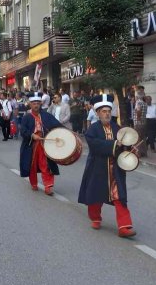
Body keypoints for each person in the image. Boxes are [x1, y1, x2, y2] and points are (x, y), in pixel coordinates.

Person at [78, 94, 136, 238]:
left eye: (109, 111)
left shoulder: (118, 128)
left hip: (116, 169)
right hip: (97, 168)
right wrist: (115, 144)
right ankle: (95, 218)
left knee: (119, 196)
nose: (107, 113)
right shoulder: (92, 130)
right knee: (96, 195)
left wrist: (130, 150)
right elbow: (95, 146)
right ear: (97, 113)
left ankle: (124, 226)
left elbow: (125, 144)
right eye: (104, 111)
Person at [20, 92, 64, 195]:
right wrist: (32, 135)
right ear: (30, 104)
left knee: (46, 165)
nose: (36, 105)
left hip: (45, 144)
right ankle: (34, 183)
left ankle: (48, 186)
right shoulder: (26, 117)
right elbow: (23, 131)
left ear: (40, 104)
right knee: (32, 165)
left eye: (38, 103)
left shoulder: (46, 115)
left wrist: (67, 132)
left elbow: (57, 125)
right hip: (32, 145)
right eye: (34, 103)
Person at [133, 92, 148, 157]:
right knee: (143, 138)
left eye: (135, 96)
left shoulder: (138, 102)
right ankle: (144, 153)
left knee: (137, 138)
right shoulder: (145, 103)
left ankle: (138, 154)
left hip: (138, 123)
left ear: (138, 96)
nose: (135, 97)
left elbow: (138, 111)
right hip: (144, 122)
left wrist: (138, 119)